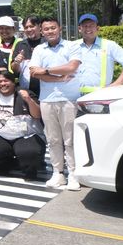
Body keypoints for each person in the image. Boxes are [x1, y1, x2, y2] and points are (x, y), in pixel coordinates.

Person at [29, 17, 82, 190]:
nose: (50, 31)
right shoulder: (39, 49)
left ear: (60, 28)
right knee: (53, 139)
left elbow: (72, 67)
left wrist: (46, 70)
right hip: (47, 99)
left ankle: (73, 174)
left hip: (69, 99)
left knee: (70, 139)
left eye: (53, 27)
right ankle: (58, 173)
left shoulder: (72, 46)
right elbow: (34, 73)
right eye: (46, 29)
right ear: (41, 31)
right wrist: (59, 77)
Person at [0, 71, 46, 180]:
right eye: (0, 81)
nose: (3, 84)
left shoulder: (25, 94)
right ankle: (8, 165)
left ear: (13, 82)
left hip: (26, 135)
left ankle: (31, 168)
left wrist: (29, 100)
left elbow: (37, 115)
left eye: (6, 81)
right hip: (1, 135)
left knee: (29, 153)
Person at [75, 13, 123, 93]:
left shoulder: (109, 45)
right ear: (79, 29)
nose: (88, 29)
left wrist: (117, 84)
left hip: (102, 95)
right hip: (75, 95)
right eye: (85, 26)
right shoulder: (73, 46)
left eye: (91, 26)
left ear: (97, 28)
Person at [8, 16, 45, 96]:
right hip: (26, 92)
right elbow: (15, 70)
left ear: (39, 26)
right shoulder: (20, 45)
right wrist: (17, 62)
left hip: (46, 90)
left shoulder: (47, 43)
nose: (29, 29)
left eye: (32, 26)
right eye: (26, 27)